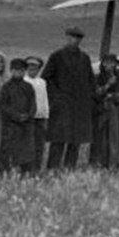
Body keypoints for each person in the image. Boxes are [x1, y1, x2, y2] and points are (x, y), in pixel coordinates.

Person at [42, 27, 96, 169]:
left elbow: (90, 80)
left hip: (79, 106)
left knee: (75, 140)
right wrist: (56, 97)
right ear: (67, 37)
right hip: (61, 105)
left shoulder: (84, 58)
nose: (75, 40)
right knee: (58, 139)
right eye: (72, 37)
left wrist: (87, 99)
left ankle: (69, 169)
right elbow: (46, 78)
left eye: (78, 38)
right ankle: (52, 169)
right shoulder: (57, 56)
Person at [0, 59, 37, 173]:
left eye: (21, 71)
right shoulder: (6, 87)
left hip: (26, 125)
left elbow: (33, 104)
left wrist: (29, 115)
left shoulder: (28, 87)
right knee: (9, 148)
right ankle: (7, 170)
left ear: (24, 72)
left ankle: (26, 171)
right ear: (11, 71)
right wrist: (16, 116)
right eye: (15, 70)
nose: (18, 73)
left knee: (26, 149)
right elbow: (2, 105)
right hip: (11, 125)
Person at [90, 54, 119, 168]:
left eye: (111, 63)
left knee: (117, 137)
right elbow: (95, 94)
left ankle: (117, 162)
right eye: (106, 63)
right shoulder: (98, 78)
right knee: (101, 139)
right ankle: (100, 162)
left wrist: (114, 96)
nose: (109, 65)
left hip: (117, 112)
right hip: (102, 112)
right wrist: (107, 85)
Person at [24, 56, 49, 171]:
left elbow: (45, 100)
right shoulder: (23, 81)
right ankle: (27, 168)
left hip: (40, 117)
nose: (32, 68)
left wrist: (46, 115)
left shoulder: (42, 82)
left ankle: (37, 168)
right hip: (28, 118)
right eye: (29, 66)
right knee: (28, 144)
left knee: (39, 145)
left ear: (39, 69)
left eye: (35, 66)